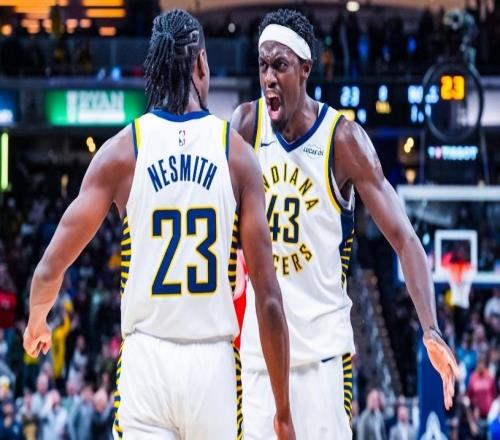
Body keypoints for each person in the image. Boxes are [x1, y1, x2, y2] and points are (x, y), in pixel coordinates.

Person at [23, 9, 294, 440]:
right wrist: (282, 410)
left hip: (146, 361)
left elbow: (49, 269)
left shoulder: (122, 152)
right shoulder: (237, 155)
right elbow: (269, 298)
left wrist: (37, 321)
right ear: (201, 64)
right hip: (213, 365)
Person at [231, 8, 459, 439]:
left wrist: (430, 327)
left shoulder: (342, 139)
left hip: (323, 360)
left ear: (305, 68)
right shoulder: (245, 125)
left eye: (280, 65)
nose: (269, 78)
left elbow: (405, 239)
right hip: (259, 361)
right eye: (263, 65)